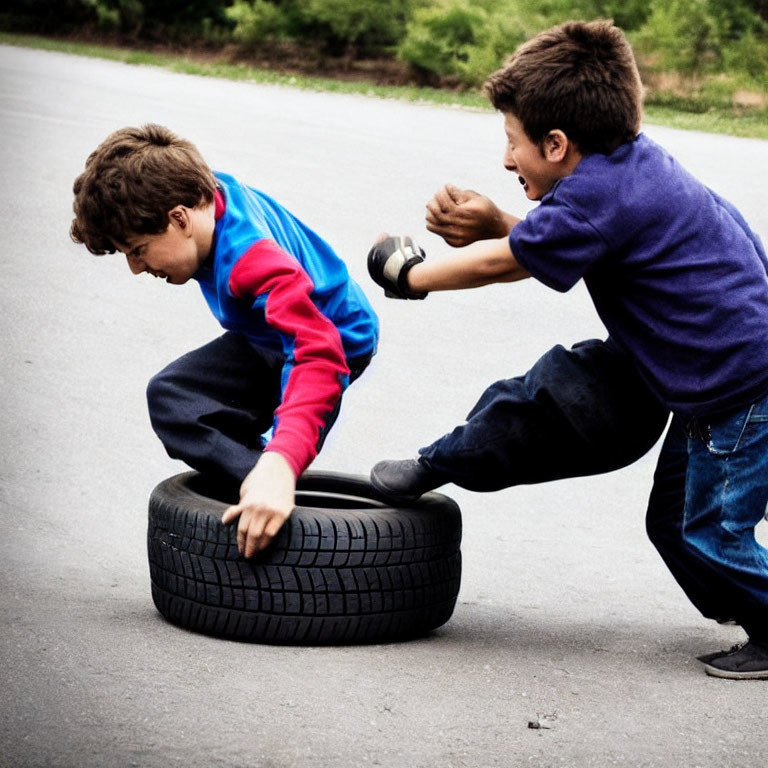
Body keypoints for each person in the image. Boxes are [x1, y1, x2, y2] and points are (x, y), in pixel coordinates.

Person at [367, 20, 768, 679]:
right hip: (714, 379)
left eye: (511, 142)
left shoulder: (601, 194)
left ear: (556, 144)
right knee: (675, 526)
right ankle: (751, 607)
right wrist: (498, 222)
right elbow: (561, 238)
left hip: (738, 392)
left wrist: (410, 277)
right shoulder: (629, 166)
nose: (504, 160)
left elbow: (502, 265)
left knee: (714, 533)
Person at [71, 124, 378, 558]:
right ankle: (260, 484)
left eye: (138, 250)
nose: (136, 268)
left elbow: (318, 354)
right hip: (267, 334)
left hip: (333, 340)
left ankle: (280, 501)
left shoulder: (252, 262)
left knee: (286, 439)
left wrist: (283, 460)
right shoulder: (201, 191)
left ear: (179, 218)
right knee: (174, 397)